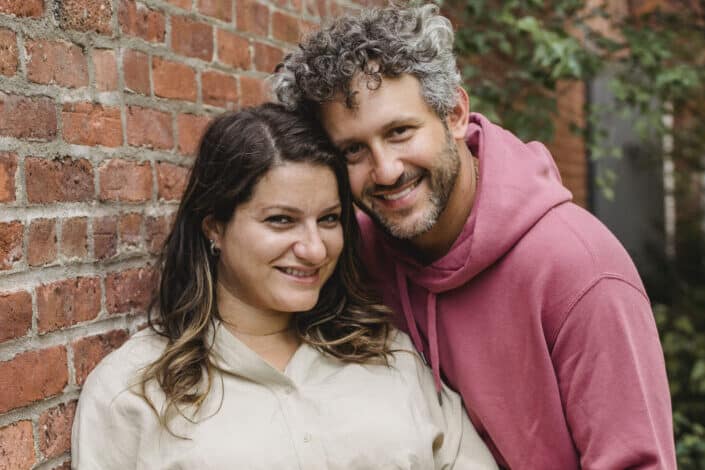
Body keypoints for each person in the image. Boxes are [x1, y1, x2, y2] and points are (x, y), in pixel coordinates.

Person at [272, 4, 677, 469]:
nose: (385, 170)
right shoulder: (353, 254)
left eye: (400, 131)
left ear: (456, 114)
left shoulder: (579, 269)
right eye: (353, 150)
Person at [70, 103, 497, 469]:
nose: (314, 249)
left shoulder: (391, 358)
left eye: (329, 219)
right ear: (215, 227)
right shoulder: (133, 391)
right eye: (281, 220)